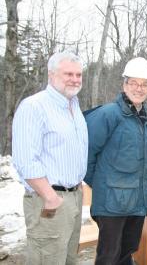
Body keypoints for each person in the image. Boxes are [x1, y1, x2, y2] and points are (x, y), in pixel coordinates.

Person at [12, 51, 87, 264]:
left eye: (78, 74)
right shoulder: (34, 106)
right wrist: (50, 197)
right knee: (47, 259)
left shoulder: (74, 106)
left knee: (68, 259)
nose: (75, 79)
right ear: (51, 74)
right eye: (68, 74)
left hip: (73, 197)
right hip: (48, 200)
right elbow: (26, 161)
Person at [84, 57, 147, 265]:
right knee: (109, 256)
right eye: (134, 83)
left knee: (128, 252)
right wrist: (103, 184)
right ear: (124, 84)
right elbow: (86, 155)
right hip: (112, 204)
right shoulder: (109, 114)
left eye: (144, 84)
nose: (139, 88)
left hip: (137, 201)